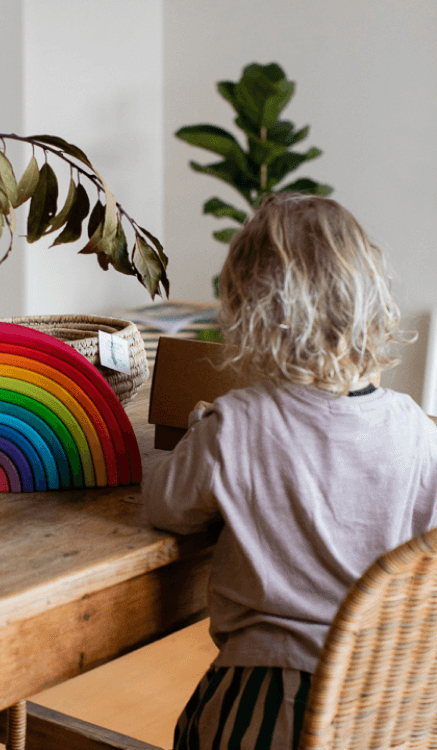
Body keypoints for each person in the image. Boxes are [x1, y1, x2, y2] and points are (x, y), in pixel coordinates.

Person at [143, 193, 437, 750]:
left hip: (269, 701)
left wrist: (201, 425)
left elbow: (166, 504)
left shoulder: (238, 424)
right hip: (384, 706)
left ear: (251, 314)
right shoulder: (417, 429)